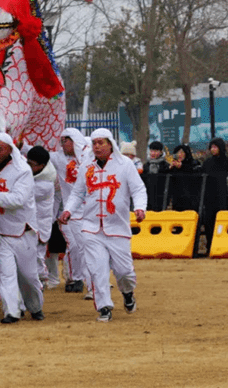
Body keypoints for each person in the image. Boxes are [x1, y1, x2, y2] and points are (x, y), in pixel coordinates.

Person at [60, 129, 147, 322]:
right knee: (97, 269)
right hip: (91, 228)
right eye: (94, 143)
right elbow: (77, 193)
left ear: (110, 144)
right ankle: (104, 307)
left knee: (124, 272)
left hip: (117, 227)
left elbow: (138, 189)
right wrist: (68, 210)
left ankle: (127, 293)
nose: (97, 146)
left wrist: (140, 208)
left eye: (101, 142)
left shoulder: (125, 164)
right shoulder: (86, 166)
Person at [0, 132, 44, 324]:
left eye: (0, 149)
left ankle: (35, 307)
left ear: (10, 149)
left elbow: (18, 199)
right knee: (5, 273)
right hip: (0, 230)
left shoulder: (22, 170)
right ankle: (12, 311)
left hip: (22, 230)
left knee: (28, 276)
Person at [49, 128, 92, 295]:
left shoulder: (89, 157)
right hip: (70, 213)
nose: (62, 144)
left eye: (64, 141)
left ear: (74, 140)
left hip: (91, 211)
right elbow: (35, 153)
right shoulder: (58, 158)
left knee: (86, 247)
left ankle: (86, 280)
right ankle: (79, 280)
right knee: (77, 246)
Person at [26, 146, 57, 291]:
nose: (28, 166)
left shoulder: (46, 183)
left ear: (41, 166)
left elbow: (24, 195)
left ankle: (41, 280)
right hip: (28, 223)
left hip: (39, 225)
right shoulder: (36, 174)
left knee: (37, 255)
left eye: (31, 164)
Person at [200, 138, 228, 255]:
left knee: (222, 221)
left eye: (215, 147)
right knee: (209, 222)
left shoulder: (227, 163)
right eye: (211, 147)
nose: (213, 150)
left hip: (222, 196)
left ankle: (223, 246)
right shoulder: (207, 163)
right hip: (209, 197)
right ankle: (210, 246)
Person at [169, 144, 201, 211]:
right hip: (177, 199)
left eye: (182, 152)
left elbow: (196, 172)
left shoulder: (194, 163)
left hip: (192, 199)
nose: (179, 155)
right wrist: (169, 169)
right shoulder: (174, 167)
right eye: (177, 153)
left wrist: (182, 166)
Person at [142, 141, 170, 211]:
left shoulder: (166, 166)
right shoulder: (146, 166)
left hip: (161, 196)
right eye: (151, 151)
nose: (153, 153)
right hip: (148, 196)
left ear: (161, 152)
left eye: (156, 151)